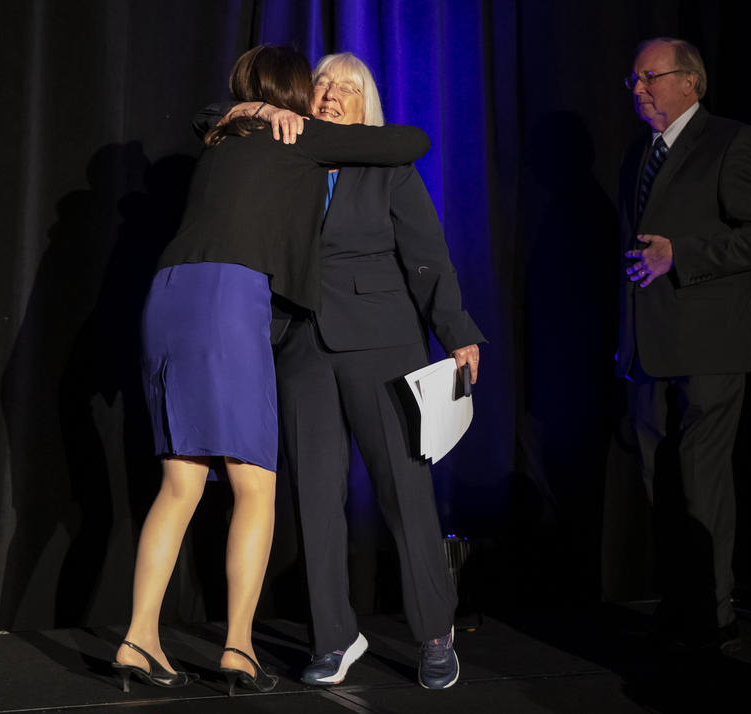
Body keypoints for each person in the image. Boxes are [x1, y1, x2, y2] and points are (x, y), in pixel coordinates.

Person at [111, 45, 430, 695]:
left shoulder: (223, 135)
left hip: (166, 296)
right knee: (255, 486)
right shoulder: (299, 140)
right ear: (295, 95)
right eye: (316, 86)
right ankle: (236, 649)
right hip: (228, 301)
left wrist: (240, 106)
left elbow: (207, 114)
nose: (325, 96)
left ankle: (137, 638)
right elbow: (412, 141)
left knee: (181, 482)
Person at [204, 52, 483, 689]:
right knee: (315, 500)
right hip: (302, 348)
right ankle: (334, 636)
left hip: (382, 344)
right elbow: (206, 121)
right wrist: (256, 107)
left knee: (403, 492)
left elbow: (429, 258)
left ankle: (435, 631)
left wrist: (459, 333)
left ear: (366, 105)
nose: (330, 93)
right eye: (322, 83)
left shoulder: (387, 165)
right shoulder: (287, 155)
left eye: (346, 87)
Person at [616, 37, 751, 650]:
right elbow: (627, 260)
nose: (638, 89)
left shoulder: (731, 141)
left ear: (690, 81)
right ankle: (681, 605)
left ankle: (714, 613)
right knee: (661, 490)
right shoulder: (638, 154)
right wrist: (624, 342)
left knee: (701, 485)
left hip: (709, 347)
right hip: (647, 351)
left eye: (648, 77)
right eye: (632, 80)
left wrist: (681, 256)